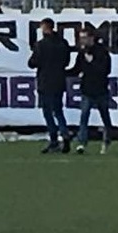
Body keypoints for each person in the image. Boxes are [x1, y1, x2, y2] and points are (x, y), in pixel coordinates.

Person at [66, 26, 114, 154]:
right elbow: (77, 69)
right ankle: (82, 142)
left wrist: (92, 62)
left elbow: (106, 70)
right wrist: (62, 73)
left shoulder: (102, 52)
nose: (82, 40)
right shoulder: (82, 53)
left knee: (105, 117)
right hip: (87, 90)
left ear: (92, 38)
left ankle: (107, 140)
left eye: (84, 38)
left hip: (100, 89)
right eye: (81, 38)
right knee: (84, 117)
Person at [28, 18, 72, 154]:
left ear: (45, 28)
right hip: (59, 81)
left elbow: (32, 63)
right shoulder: (63, 43)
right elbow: (66, 62)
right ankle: (64, 133)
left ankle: (54, 140)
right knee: (58, 111)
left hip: (45, 81)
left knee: (48, 113)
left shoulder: (41, 45)